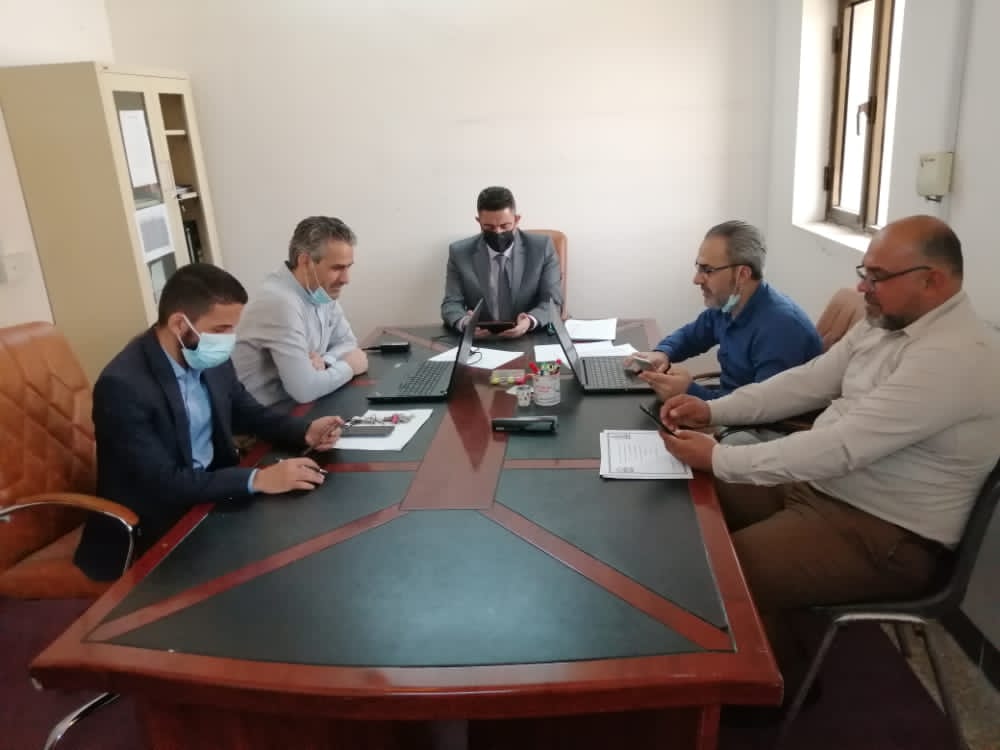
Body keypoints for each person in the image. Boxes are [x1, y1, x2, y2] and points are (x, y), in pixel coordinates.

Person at [657, 215, 1000, 709]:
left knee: (719, 573)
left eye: (877, 277)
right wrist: (714, 411)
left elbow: (841, 447)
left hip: (883, 532)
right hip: (826, 487)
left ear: (933, 281)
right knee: (686, 490)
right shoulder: (888, 323)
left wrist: (722, 456)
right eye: (865, 272)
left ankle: (772, 692)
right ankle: (759, 641)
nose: (862, 287)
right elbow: (808, 382)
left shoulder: (955, 357)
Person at [74, 264, 345, 581]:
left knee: (303, 544)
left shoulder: (204, 353)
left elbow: (244, 410)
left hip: (210, 498)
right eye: (220, 329)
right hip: (155, 525)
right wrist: (257, 479)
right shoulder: (123, 385)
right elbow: (163, 483)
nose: (229, 339)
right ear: (180, 324)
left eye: (233, 328)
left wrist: (304, 431)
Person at [626, 221, 822, 401]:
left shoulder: (781, 329)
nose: (696, 279)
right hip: (729, 403)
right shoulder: (729, 304)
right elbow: (691, 336)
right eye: (698, 267)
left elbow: (762, 409)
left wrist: (688, 392)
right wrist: (662, 353)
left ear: (742, 274)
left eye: (707, 270)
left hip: (756, 421)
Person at [233, 216, 368, 406]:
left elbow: (348, 343)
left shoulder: (320, 291)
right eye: (337, 268)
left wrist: (326, 362)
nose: (346, 279)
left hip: (295, 405)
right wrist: (349, 367)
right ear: (305, 262)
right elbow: (305, 390)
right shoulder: (279, 302)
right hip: (263, 416)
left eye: (348, 267)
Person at [440, 186, 563, 338]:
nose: (498, 232)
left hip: (528, 336)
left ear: (516, 220)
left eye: (505, 226)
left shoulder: (541, 248)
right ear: (479, 221)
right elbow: (451, 304)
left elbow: (552, 302)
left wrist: (529, 321)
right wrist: (466, 323)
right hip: (482, 339)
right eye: (489, 227)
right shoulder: (460, 253)